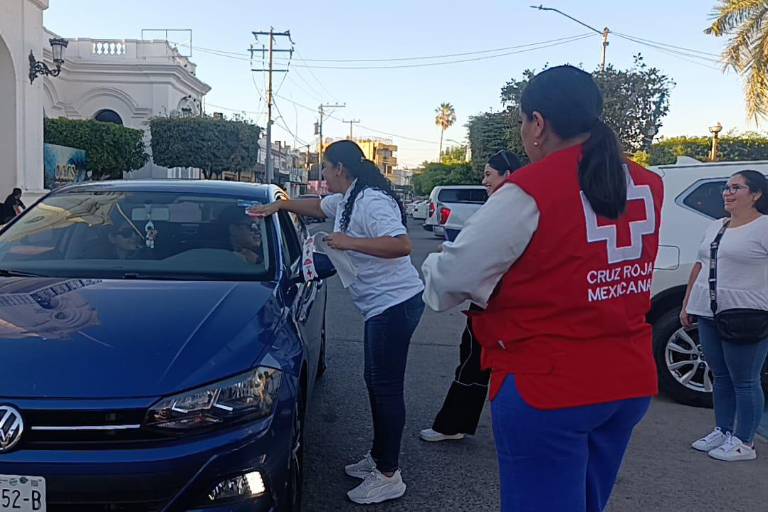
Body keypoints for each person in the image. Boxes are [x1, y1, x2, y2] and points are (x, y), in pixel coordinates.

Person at [422, 65, 663, 512]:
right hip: (627, 378)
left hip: (550, 384)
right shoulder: (647, 183)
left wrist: (433, 267)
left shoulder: (529, 190)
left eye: (521, 121)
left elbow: (450, 282)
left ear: (538, 123)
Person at [250, 140, 424, 505]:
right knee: (374, 382)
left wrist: (349, 243)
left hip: (396, 304)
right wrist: (281, 204)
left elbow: (402, 245)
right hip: (381, 306)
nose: (322, 174)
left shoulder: (371, 200)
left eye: (325, 168)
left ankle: (389, 474)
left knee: (385, 388)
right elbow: (315, 206)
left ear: (340, 169)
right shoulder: (348, 198)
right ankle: (379, 459)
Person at [420, 150, 522, 443]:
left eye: (489, 174)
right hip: (492, 298)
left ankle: (453, 424)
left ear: (507, 176)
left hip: (499, 301)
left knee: (477, 361)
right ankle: (456, 423)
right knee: (475, 358)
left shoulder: (509, 208)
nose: (484, 180)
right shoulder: (510, 206)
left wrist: (448, 260)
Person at [682, 170, 768, 462]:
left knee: (745, 380)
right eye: (726, 187)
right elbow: (699, 265)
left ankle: (744, 442)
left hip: (747, 314)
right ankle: (723, 430)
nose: (727, 192)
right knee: (720, 376)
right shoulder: (717, 226)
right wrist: (687, 304)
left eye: (736, 187)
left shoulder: (764, 227)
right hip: (709, 311)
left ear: (755, 194)